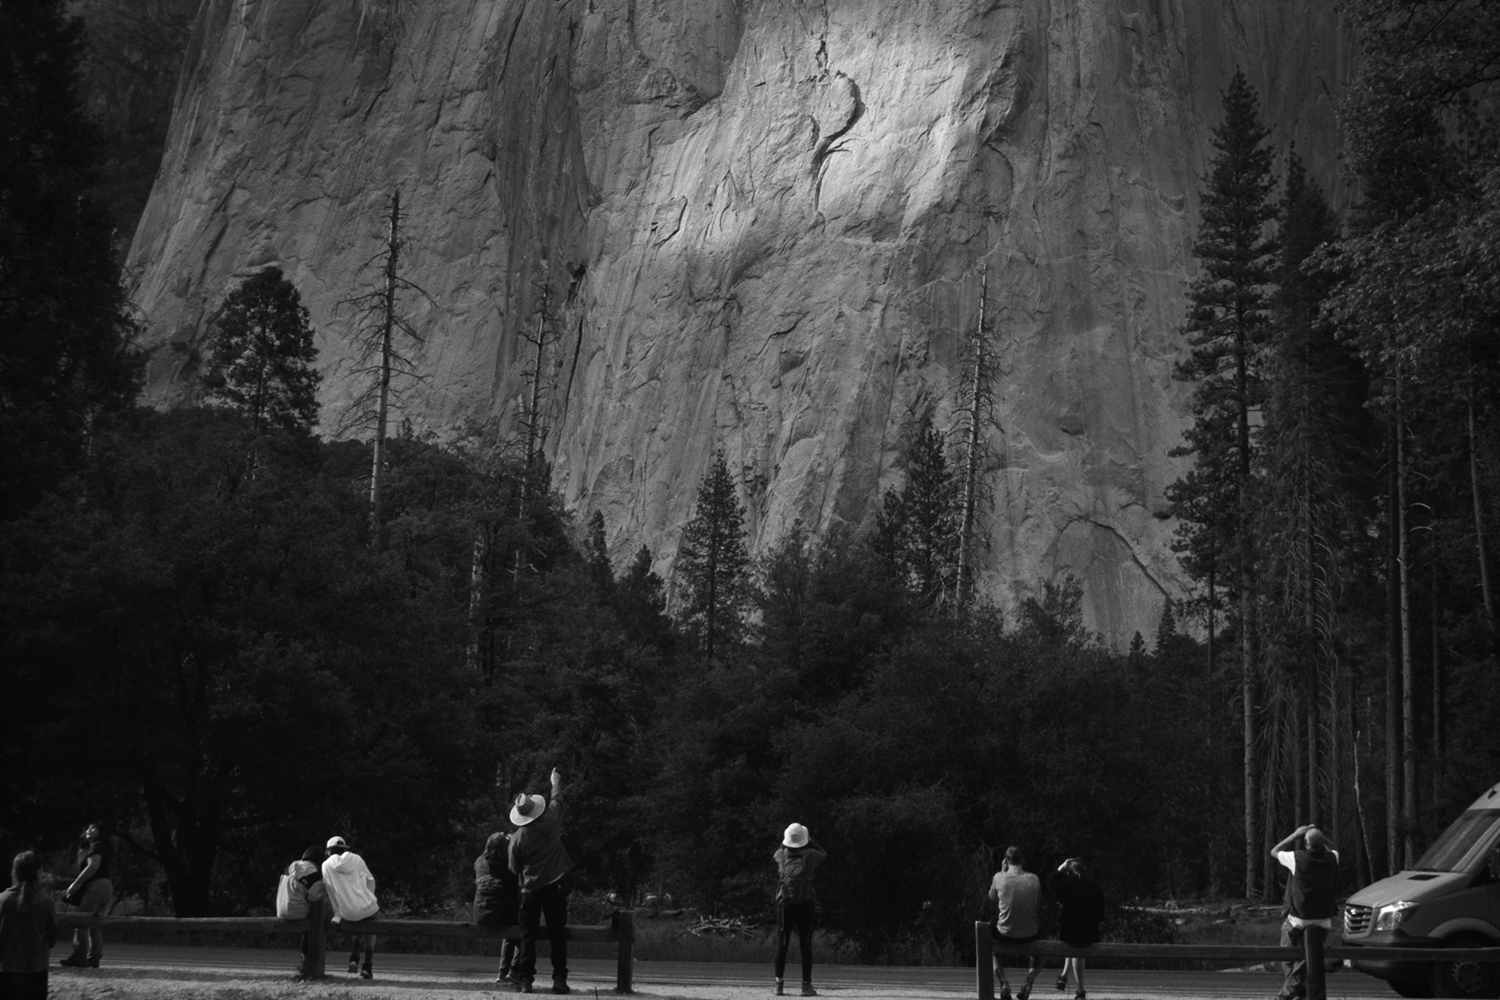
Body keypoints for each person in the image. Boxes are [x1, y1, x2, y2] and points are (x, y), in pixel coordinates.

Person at [509, 768, 570, 995]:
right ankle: (560, 979)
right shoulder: (551, 821)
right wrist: (555, 781)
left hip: (530, 889)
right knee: (557, 932)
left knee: (528, 934)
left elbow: (513, 867)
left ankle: (526, 980)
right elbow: (558, 800)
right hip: (555, 884)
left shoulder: (517, 839)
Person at [1271, 824, 1340, 1000]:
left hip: (1298, 919)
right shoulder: (1331, 859)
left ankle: (1287, 994)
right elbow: (1335, 849)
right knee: (1306, 959)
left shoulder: (1298, 858)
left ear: (1306, 843)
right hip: (1323, 920)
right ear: (1321, 843)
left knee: (1289, 953)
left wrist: (1294, 835)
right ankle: (1298, 992)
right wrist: (1321, 837)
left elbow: (1275, 851)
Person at [772, 822, 826, 998]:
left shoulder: (781, 855)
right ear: (804, 839)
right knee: (806, 943)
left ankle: (779, 986)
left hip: (784, 903)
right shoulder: (810, 855)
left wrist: (785, 843)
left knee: (783, 944)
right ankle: (806, 986)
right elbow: (823, 854)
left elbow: (776, 852)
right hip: (805, 903)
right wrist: (810, 840)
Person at [0, 851, 57, 1000]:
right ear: (38, 872)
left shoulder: (2, 901)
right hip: (36, 970)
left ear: (14, 872)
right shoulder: (45, 903)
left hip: (5, 968)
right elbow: (52, 939)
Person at [322, 836, 380, 979]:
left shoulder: (326, 866)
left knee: (355, 917)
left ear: (329, 850)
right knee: (369, 924)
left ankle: (354, 959)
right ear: (344, 848)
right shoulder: (356, 859)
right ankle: (367, 966)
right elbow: (370, 880)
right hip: (367, 908)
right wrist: (368, 897)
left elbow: (331, 892)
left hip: (347, 912)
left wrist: (339, 912)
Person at [989, 845, 1042, 1000]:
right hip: (1030, 934)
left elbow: (992, 897)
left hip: (1005, 933)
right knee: (1038, 956)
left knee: (994, 952)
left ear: (1005, 861)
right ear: (1023, 861)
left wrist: (1002, 871)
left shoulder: (999, 877)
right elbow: (1038, 906)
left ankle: (1004, 982)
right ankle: (1029, 981)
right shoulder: (1034, 879)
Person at [59, 822, 112, 969]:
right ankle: (94, 958)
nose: (89, 829)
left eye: (93, 828)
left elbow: (93, 866)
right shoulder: (100, 847)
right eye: (88, 828)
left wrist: (75, 884)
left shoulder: (96, 846)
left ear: (101, 832)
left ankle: (79, 957)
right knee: (95, 925)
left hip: (95, 887)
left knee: (81, 921)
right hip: (106, 887)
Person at [1049, 858, 1104, 1000]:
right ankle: (1072, 984)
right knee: (1077, 942)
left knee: (1074, 942)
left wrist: (1060, 868)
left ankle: (1075, 986)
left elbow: (1051, 884)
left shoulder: (1067, 886)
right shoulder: (1095, 887)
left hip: (1069, 932)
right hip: (1090, 932)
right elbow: (1101, 913)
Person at [475, 831, 520, 986]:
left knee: (511, 923)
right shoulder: (510, 865)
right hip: (502, 916)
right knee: (522, 930)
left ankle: (502, 974)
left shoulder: (479, 862)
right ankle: (513, 971)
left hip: (481, 914)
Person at [279, 846, 327, 979]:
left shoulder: (292, 867)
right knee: (316, 921)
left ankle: (304, 961)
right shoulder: (313, 873)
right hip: (297, 911)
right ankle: (308, 964)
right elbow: (315, 897)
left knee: (309, 924)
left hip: (282, 909)